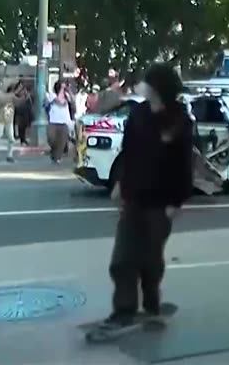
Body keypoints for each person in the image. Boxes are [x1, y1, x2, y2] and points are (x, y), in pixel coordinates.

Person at [92, 63, 194, 338]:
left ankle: (151, 302)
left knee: (150, 258)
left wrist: (177, 201)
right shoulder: (138, 114)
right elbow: (128, 152)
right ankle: (123, 309)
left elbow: (185, 165)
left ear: (158, 88)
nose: (141, 85)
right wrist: (119, 185)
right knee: (123, 257)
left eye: (147, 82)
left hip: (161, 202)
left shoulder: (179, 121)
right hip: (134, 196)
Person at [45, 80, 76, 163]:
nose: (63, 89)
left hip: (64, 121)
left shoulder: (67, 95)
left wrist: (69, 91)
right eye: (62, 87)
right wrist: (62, 90)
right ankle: (54, 152)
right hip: (53, 121)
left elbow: (73, 102)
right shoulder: (52, 95)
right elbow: (59, 101)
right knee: (52, 139)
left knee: (61, 141)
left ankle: (57, 158)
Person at [0, 81, 19, 164]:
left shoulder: (10, 95)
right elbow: (2, 100)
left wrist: (23, 96)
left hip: (8, 120)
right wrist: (13, 94)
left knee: (11, 139)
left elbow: (18, 103)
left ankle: (9, 155)